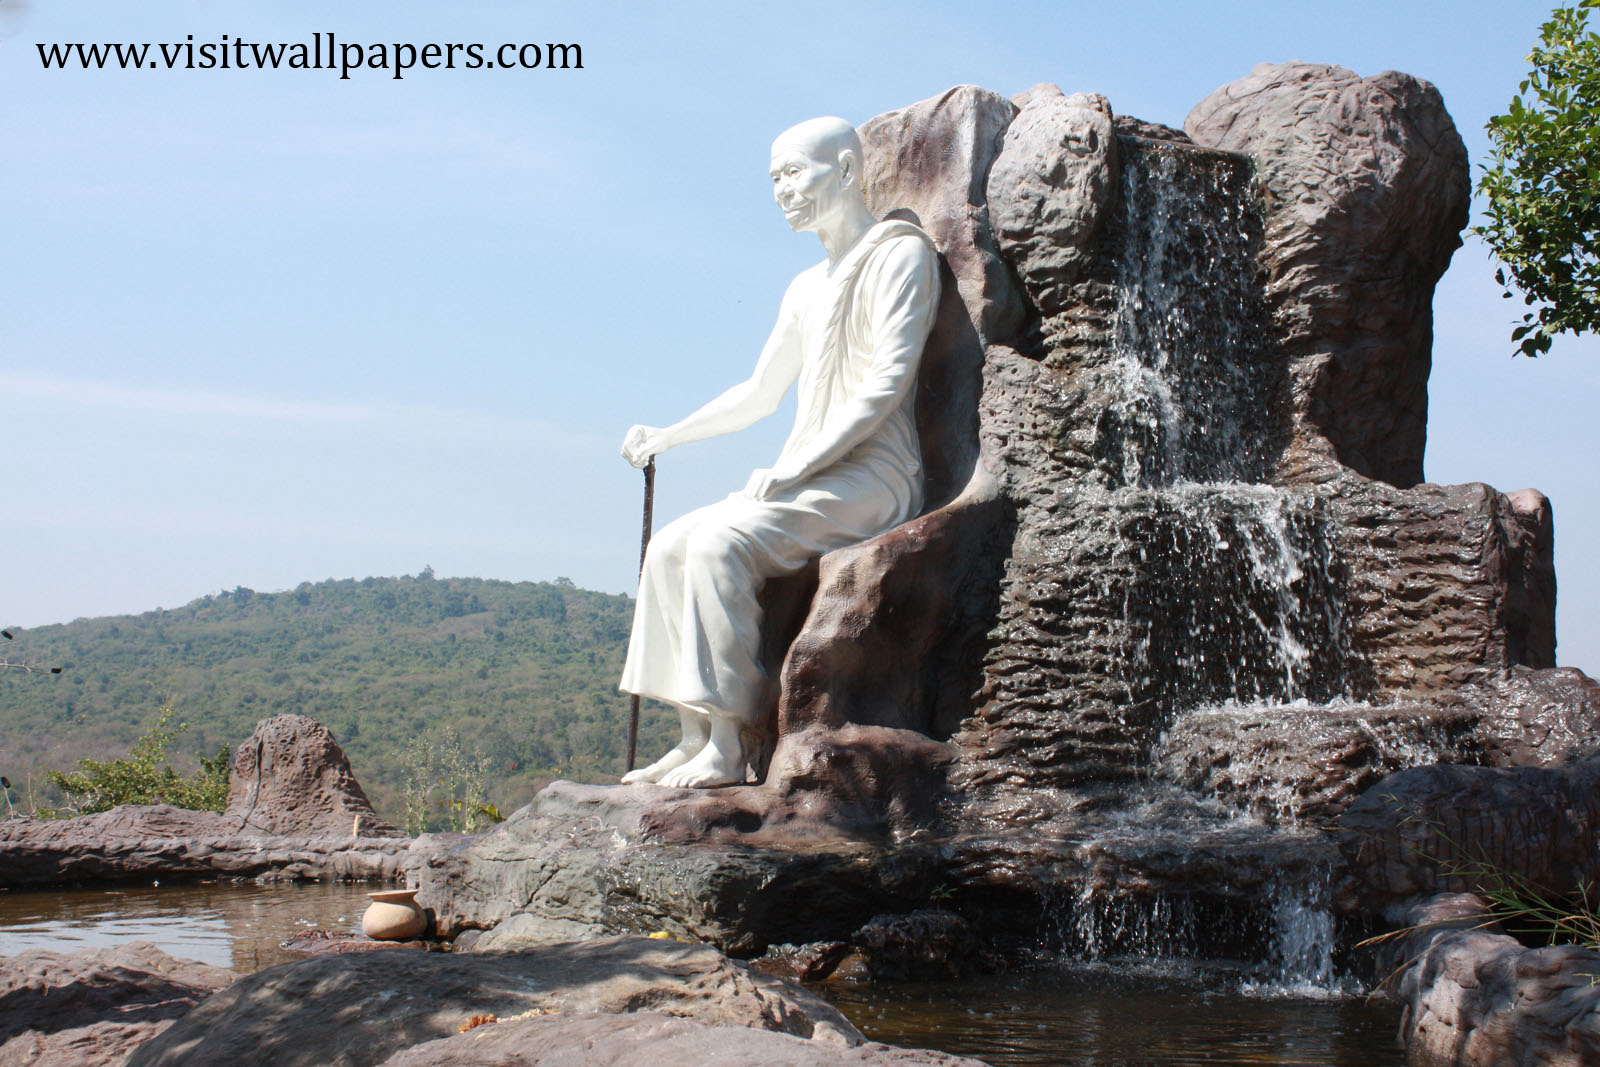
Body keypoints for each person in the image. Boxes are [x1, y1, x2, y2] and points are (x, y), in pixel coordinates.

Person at [618, 116, 940, 788]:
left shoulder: (900, 256)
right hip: (811, 473)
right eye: (773, 179)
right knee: (670, 546)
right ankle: (692, 733)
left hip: (874, 475)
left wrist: (799, 464)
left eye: (794, 172)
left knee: (718, 546)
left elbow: (887, 381)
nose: (781, 191)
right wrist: (669, 434)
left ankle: (730, 742)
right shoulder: (804, 288)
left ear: (846, 170)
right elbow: (759, 393)